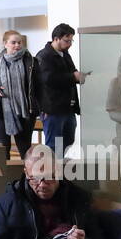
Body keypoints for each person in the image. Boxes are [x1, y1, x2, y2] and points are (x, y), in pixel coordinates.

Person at [0, 30, 40, 160]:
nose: (17, 45)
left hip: (24, 111)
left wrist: (39, 107)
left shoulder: (30, 61)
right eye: (13, 42)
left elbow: (38, 86)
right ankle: (4, 179)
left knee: (25, 148)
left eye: (19, 42)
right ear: (5, 44)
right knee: (2, 148)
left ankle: (26, 179)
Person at [35, 23, 87, 154]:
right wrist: (72, 77)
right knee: (54, 144)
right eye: (67, 40)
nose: (69, 43)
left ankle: (60, 169)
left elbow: (71, 72)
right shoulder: (44, 55)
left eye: (71, 40)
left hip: (68, 107)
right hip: (52, 108)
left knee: (68, 140)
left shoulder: (65, 54)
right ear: (56, 38)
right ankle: (53, 172)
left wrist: (78, 76)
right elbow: (48, 79)